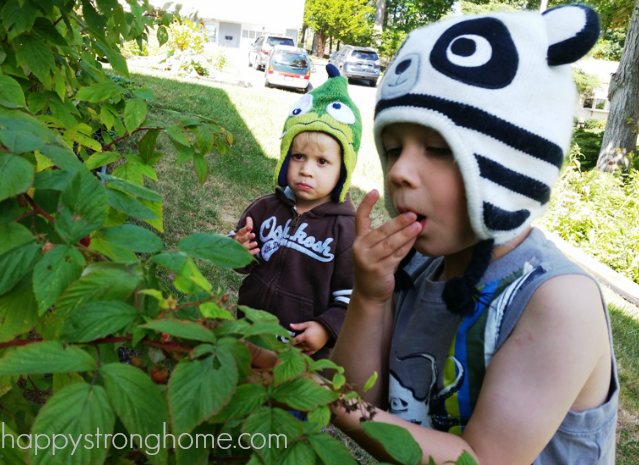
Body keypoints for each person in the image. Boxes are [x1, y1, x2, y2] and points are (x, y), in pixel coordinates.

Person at [250, 6, 618, 464]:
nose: (400, 171)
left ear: (512, 162)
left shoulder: (559, 302)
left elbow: (479, 458)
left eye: (440, 149)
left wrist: (310, 390)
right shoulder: (416, 265)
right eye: (392, 149)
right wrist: (368, 296)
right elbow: (365, 396)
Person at [232, 65, 362, 360]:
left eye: (322, 162)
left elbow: (350, 296)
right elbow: (242, 261)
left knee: (283, 403)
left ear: (344, 169)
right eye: (298, 156)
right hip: (247, 331)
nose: (306, 169)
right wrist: (235, 249)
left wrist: (327, 327)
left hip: (298, 351)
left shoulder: (345, 230)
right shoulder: (264, 208)